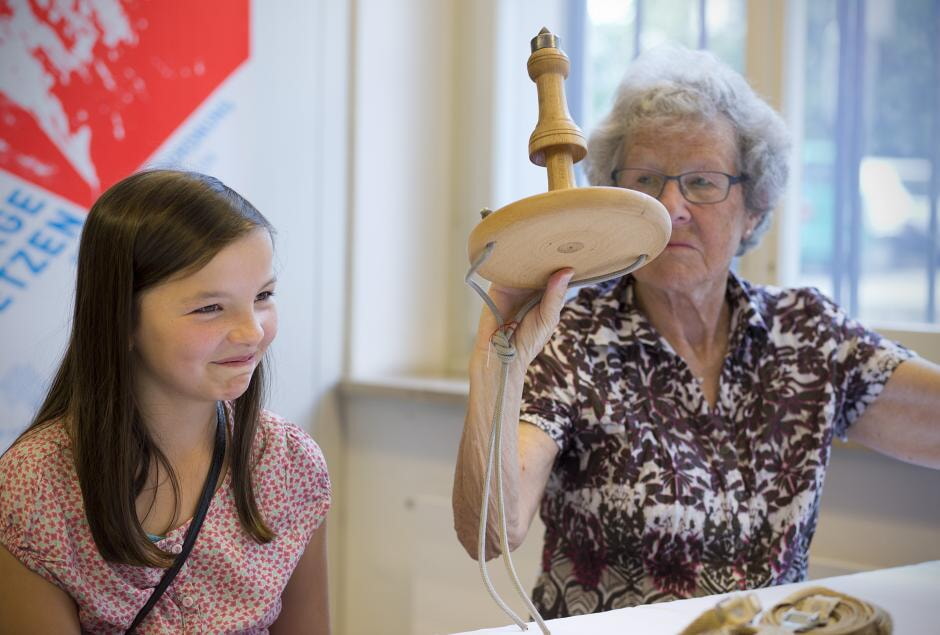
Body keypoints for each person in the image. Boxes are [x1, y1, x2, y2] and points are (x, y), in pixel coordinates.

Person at [453, 46, 940, 619]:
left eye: (703, 183)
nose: (672, 207)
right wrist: (494, 356)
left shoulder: (807, 336)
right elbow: (491, 532)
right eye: (647, 181)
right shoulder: (571, 333)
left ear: (754, 208)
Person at [0, 170, 331, 633]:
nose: (251, 331)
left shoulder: (288, 462)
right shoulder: (35, 485)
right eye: (209, 308)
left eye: (263, 296)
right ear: (121, 317)